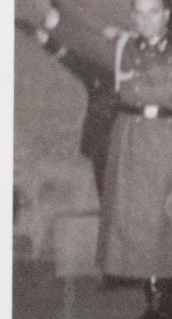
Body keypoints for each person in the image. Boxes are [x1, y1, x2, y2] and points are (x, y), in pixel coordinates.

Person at [34, 0, 172, 319]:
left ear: (167, 15)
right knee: (139, 226)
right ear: (132, 17)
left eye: (154, 11)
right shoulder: (122, 50)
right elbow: (83, 39)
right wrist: (53, 16)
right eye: (139, 12)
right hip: (131, 142)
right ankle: (154, 306)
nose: (146, 19)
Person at [18, 13, 118, 196]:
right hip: (102, 146)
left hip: (121, 148)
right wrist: (40, 35)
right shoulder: (101, 76)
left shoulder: (120, 78)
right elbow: (69, 58)